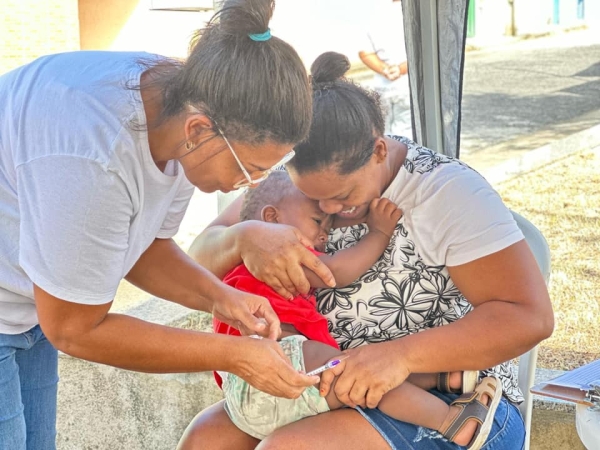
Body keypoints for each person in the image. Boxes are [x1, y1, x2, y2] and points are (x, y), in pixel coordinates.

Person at [0, 1, 337, 448]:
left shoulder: (185, 108)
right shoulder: (94, 155)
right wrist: (234, 355)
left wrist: (221, 298)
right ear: (199, 131)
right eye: (249, 168)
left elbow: (144, 246)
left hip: (25, 308)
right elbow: (74, 329)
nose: (248, 185)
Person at [181, 51, 554, 450]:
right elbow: (193, 267)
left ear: (378, 151)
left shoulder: (447, 193)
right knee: (205, 440)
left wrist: (401, 357)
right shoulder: (288, 187)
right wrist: (241, 237)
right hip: (326, 384)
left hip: (453, 400)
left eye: (342, 196)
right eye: (313, 199)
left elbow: (529, 318)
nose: (327, 211)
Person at [211, 171, 504, 450]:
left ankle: (443, 379)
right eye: (317, 221)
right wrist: (378, 232)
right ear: (272, 218)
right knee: (360, 376)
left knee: (354, 377)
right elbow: (338, 270)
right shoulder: (277, 255)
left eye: (327, 227)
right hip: (277, 360)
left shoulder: (238, 263)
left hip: (243, 392)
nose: (323, 236)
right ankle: (450, 421)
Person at [358, 0, 411, 137]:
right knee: (407, 135)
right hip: (407, 85)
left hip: (382, 86)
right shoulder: (412, 12)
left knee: (383, 134)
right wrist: (400, 69)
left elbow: (364, 53)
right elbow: (423, 52)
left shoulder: (376, 14)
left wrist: (385, 70)